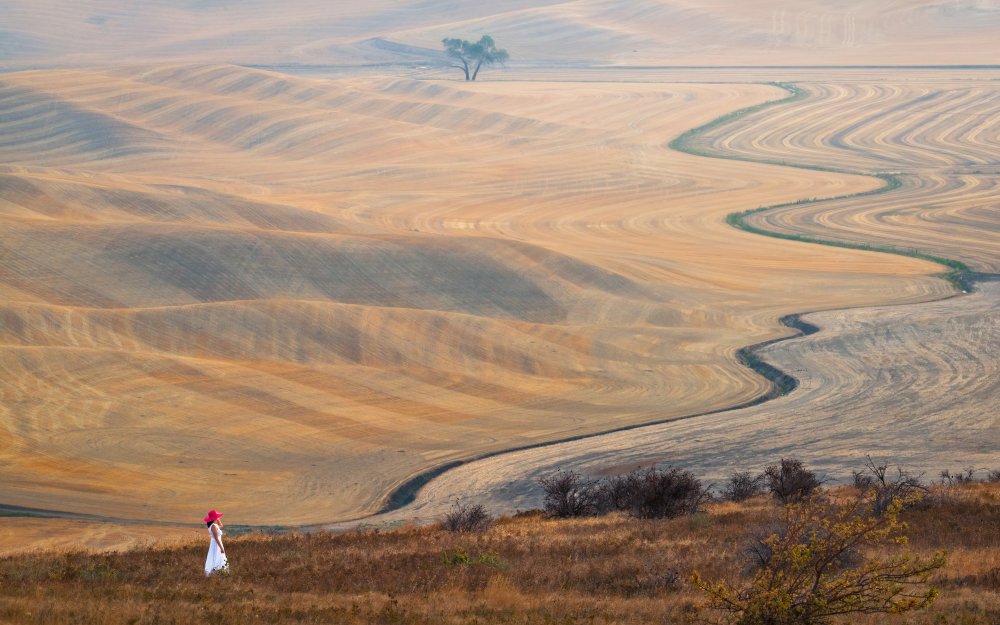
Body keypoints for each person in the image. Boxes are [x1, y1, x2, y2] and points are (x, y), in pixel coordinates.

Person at [204, 509, 228, 576]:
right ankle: (216, 572)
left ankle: (217, 571)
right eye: (216, 517)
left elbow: (221, 525)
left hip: (216, 543)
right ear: (214, 518)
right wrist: (221, 548)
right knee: (216, 556)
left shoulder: (214, 525)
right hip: (216, 544)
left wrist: (217, 519)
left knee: (216, 556)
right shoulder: (214, 526)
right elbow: (216, 538)